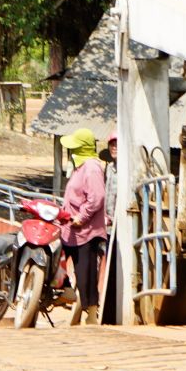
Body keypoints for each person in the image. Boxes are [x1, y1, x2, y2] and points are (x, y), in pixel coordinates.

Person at [58, 129, 109, 325]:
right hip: (70, 229)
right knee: (62, 263)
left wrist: (82, 216)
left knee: (86, 273)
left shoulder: (91, 167)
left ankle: (92, 315)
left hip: (86, 231)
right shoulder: (79, 168)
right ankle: (68, 294)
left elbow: (97, 197)